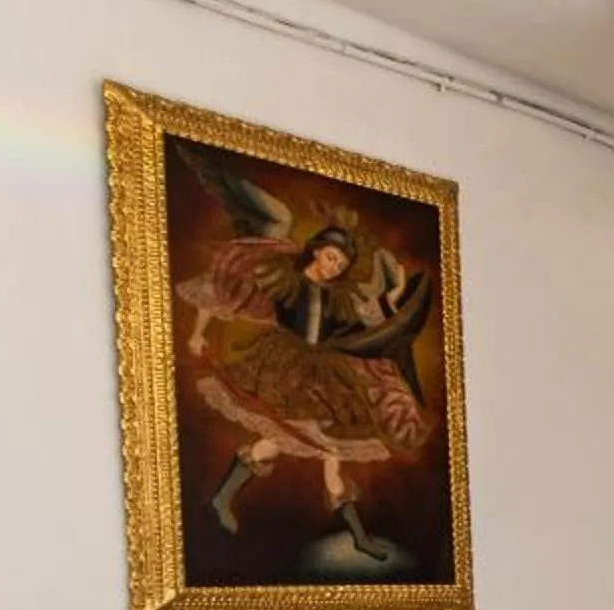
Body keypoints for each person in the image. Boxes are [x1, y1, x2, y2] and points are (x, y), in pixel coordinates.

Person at [176, 144, 432, 562]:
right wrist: (198, 334)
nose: (333, 267)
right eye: (330, 258)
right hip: (283, 366)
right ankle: (353, 534)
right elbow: (228, 289)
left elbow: (373, 315)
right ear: (316, 250)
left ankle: (352, 535)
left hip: (323, 373)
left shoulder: (340, 298)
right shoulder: (282, 278)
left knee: (303, 448)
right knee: (307, 448)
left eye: (340, 265)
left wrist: (399, 291)